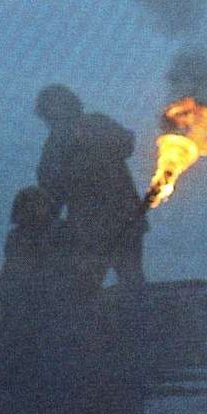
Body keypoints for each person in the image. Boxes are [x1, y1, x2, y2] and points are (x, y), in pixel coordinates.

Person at [34, 84, 147, 292]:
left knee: (99, 284)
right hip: (107, 222)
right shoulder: (64, 138)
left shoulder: (90, 127)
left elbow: (125, 145)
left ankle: (133, 319)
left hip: (104, 223)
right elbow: (50, 186)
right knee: (102, 283)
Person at [0, 185, 82, 317]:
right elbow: (8, 271)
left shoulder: (61, 232)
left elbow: (71, 268)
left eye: (38, 204)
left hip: (53, 304)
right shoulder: (16, 237)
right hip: (19, 304)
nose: (34, 209)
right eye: (29, 205)